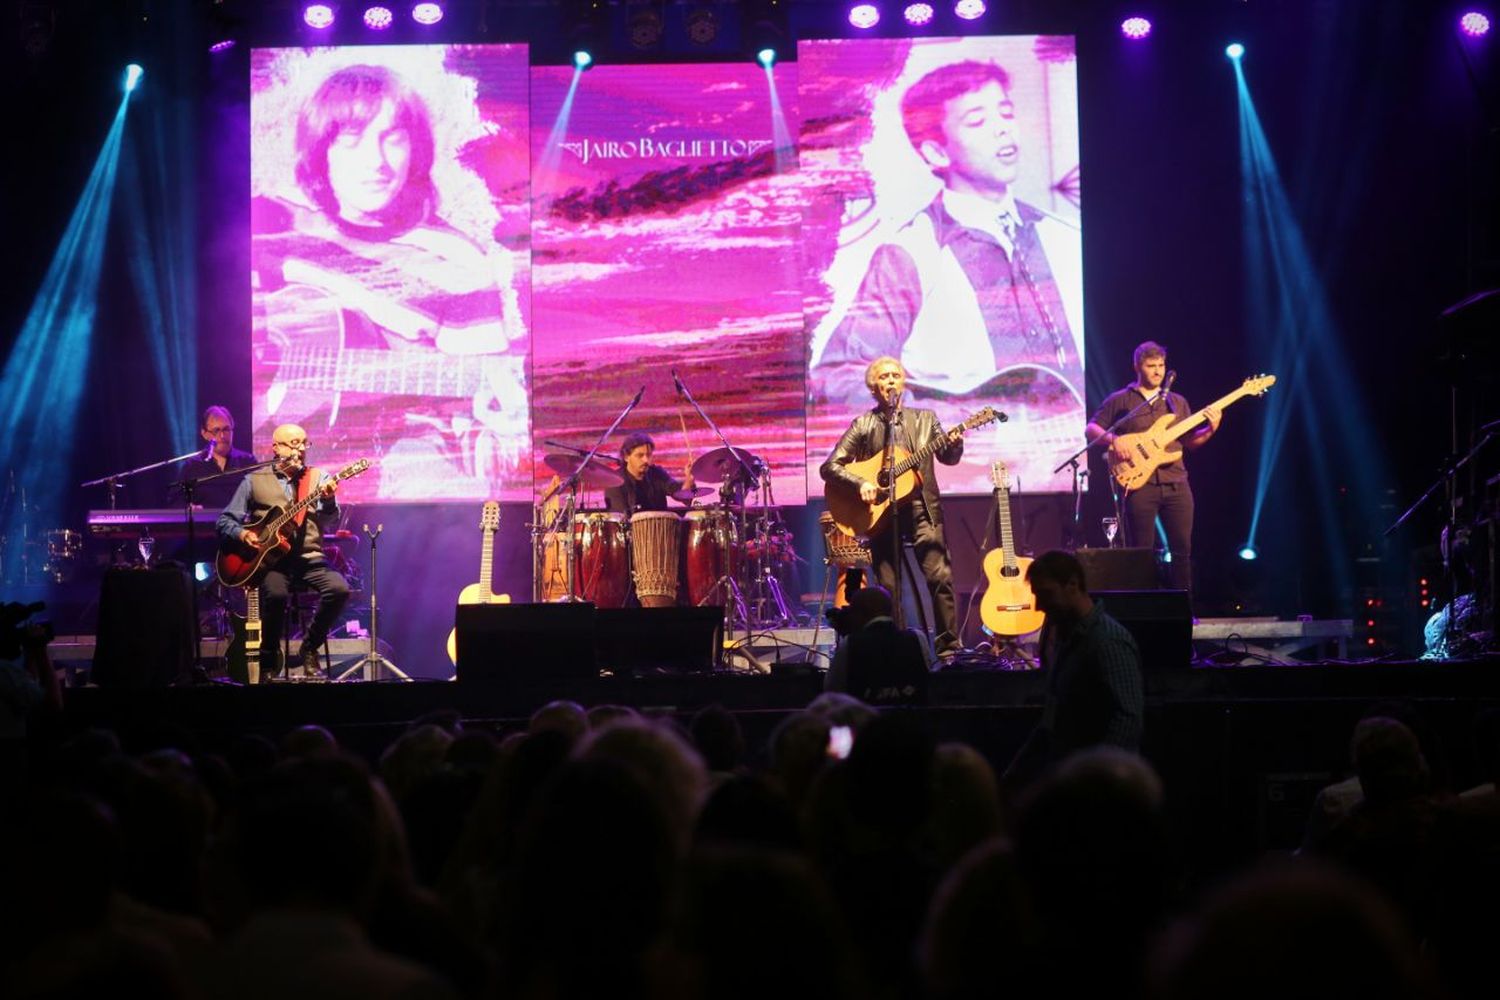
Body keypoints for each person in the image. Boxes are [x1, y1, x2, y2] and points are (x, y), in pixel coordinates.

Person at [252, 62, 527, 498]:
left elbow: (473, 418)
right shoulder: (274, 220)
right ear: (321, 149)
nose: (375, 162)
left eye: (392, 138)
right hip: (282, 451)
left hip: (402, 457)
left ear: (415, 149)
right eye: (352, 140)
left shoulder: (457, 263)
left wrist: (498, 431)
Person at [812, 59, 1083, 409]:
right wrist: (937, 426)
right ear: (936, 152)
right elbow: (837, 376)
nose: (1003, 129)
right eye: (977, 121)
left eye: (1006, 113)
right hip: (974, 459)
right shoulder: (912, 253)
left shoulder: (1063, 235)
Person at [819, 357, 964, 657]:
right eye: (884, 377)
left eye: (896, 375)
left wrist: (955, 444)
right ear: (874, 388)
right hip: (881, 515)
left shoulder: (926, 419)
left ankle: (949, 648)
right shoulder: (864, 424)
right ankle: (896, 649)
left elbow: (949, 458)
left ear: (903, 383)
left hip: (924, 509)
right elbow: (830, 467)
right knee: (888, 586)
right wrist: (860, 484)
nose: (891, 381)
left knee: (939, 576)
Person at [216, 423, 350, 681]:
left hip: (310, 559)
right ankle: (268, 660)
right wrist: (243, 533)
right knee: (275, 594)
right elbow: (225, 521)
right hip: (271, 563)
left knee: (339, 589)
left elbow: (329, 520)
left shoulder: (318, 478)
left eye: (304, 443)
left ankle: (310, 648)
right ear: (275, 448)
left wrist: (330, 499)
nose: (300, 449)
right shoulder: (254, 480)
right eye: (293, 443)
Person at [1085, 341, 1220, 595]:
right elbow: (1091, 428)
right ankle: (1144, 607)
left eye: (1161, 365)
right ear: (1137, 367)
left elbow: (1191, 443)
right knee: (1141, 552)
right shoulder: (1121, 400)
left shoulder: (1177, 403)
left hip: (1176, 483)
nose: (1158, 371)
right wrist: (1115, 441)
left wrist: (1211, 428)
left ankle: (1183, 610)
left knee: (1182, 549)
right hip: (1139, 484)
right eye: (1151, 366)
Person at [1005, 551, 1143, 784]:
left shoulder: (1108, 641)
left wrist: (1095, 782)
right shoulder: (1062, 637)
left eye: (1046, 594)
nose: (1039, 606)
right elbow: (1052, 718)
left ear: (1072, 584)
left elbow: (1126, 721)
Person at [823, 585, 932, 706]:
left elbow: (831, 689)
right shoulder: (918, 638)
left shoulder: (850, 643)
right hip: (915, 723)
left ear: (858, 613)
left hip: (865, 723)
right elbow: (929, 682)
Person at [176, 405, 258, 509]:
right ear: (204, 434)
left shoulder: (248, 462)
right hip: (205, 524)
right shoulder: (192, 466)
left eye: (226, 429)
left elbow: (262, 497)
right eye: (216, 431)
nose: (222, 436)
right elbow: (176, 502)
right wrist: (190, 508)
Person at [603, 432, 696, 515]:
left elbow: (682, 495)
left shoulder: (656, 473)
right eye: (640, 455)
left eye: (649, 455)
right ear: (626, 457)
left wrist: (689, 479)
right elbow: (620, 521)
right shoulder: (615, 482)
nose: (646, 460)